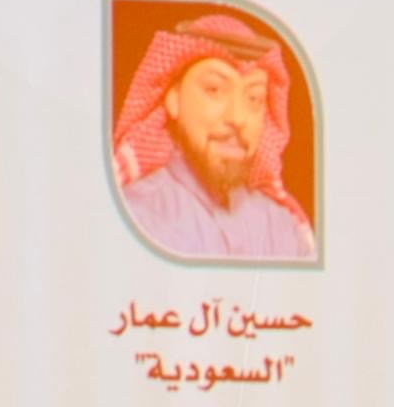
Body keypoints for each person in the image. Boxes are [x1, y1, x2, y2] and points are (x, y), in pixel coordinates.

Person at [114, 13, 315, 260]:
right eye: (214, 89)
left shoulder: (286, 232)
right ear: (174, 99)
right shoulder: (132, 219)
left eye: (254, 99)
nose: (238, 117)